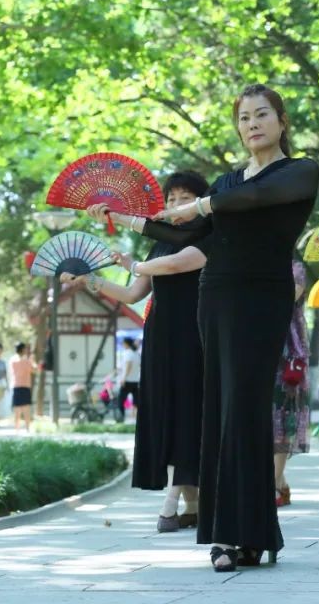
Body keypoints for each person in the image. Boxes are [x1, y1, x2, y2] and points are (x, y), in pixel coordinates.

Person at [89, 84, 319, 571]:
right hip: (215, 297)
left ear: (281, 121)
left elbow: (257, 198)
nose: (252, 124)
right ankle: (230, 534)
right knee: (219, 411)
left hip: (262, 298)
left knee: (246, 410)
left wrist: (203, 205)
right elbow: (185, 233)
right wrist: (123, 218)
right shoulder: (227, 180)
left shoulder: (298, 172)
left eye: (262, 115)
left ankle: (248, 532)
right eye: (243, 117)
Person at [77, 170, 210, 534]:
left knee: (189, 416)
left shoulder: (208, 235)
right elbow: (134, 295)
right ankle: (194, 505)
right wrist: (90, 280)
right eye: (171, 199)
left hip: (196, 337)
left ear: (202, 203)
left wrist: (132, 261)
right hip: (160, 336)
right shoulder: (160, 242)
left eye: (186, 198)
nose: (176, 206)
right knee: (167, 417)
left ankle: (171, 504)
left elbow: (175, 265)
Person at [273, 260, 311, 507]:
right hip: (255, 348)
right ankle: (279, 483)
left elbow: (288, 296)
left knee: (282, 419)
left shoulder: (295, 268)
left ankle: (274, 483)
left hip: (287, 354)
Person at [9, 342, 35, 432]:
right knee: (26, 408)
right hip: (25, 386)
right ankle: (27, 428)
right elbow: (33, 370)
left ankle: (17, 429)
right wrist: (31, 360)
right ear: (23, 349)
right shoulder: (26, 361)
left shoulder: (12, 360)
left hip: (16, 386)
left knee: (17, 409)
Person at [117, 337, 141, 422]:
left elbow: (128, 366)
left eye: (123, 343)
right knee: (136, 401)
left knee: (120, 401)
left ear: (126, 344)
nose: (122, 345)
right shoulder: (136, 354)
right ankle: (137, 419)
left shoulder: (128, 353)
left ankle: (120, 419)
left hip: (127, 381)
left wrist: (123, 378)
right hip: (135, 381)